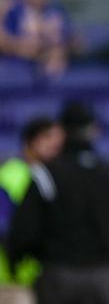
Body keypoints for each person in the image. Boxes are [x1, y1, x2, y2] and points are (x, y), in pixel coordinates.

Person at [7, 102, 109, 304]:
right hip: (103, 274)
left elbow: (25, 230)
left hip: (58, 275)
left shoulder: (46, 173)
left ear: (62, 131)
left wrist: (16, 261)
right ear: (95, 130)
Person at [0, 117, 64, 287]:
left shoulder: (56, 176)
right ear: (30, 140)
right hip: (12, 279)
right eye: (48, 137)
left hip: (47, 276)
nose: (55, 144)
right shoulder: (9, 175)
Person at [0, 0, 71, 75]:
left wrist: (60, 50)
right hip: (12, 74)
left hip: (49, 73)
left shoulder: (55, 10)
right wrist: (18, 47)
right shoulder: (11, 7)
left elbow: (71, 40)